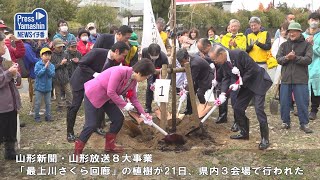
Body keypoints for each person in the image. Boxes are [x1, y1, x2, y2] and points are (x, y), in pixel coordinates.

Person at [74, 59, 155, 155]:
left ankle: (109, 146)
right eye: (146, 77)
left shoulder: (133, 80)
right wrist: (124, 105)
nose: (145, 79)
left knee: (118, 119)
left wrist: (144, 114)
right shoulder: (120, 72)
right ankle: (77, 153)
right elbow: (111, 91)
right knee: (91, 125)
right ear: (139, 73)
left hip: (108, 98)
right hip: (94, 94)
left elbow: (134, 98)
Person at [209, 44, 272, 150]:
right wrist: (223, 93)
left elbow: (252, 69)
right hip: (246, 86)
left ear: (221, 54)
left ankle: (265, 139)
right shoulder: (224, 63)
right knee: (238, 107)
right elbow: (227, 77)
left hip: (258, 81)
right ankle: (244, 132)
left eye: (215, 59)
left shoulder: (239, 54)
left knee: (259, 109)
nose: (215, 62)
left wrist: (240, 81)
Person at [67, 42, 129, 142]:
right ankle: (70, 132)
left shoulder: (116, 62)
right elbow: (81, 63)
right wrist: (94, 74)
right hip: (81, 82)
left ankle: (96, 127)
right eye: (123, 55)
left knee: (100, 105)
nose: (123, 58)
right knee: (75, 106)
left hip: (96, 87)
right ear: (117, 51)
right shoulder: (97, 52)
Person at [276, 22, 313, 133]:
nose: (291, 33)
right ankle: (285, 122)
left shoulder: (306, 45)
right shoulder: (284, 45)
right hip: (286, 78)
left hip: (300, 79)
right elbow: (279, 59)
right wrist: (287, 57)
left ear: (299, 32)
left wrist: (295, 57)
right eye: (290, 31)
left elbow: (308, 60)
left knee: (302, 102)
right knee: (284, 102)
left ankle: (304, 124)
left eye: (294, 31)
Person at [0, 32, 21, 160]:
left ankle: (10, 152)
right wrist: (8, 73)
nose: (5, 47)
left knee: (11, 130)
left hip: (10, 103)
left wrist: (15, 73)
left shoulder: (4, 61)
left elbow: (15, 77)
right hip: (1, 106)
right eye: (2, 44)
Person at [176, 49, 214, 114]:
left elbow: (191, 79)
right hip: (198, 76)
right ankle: (189, 110)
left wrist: (185, 91)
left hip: (206, 77)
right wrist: (185, 89)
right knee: (191, 92)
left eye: (182, 61)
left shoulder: (195, 64)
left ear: (187, 58)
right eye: (180, 62)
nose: (181, 64)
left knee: (200, 93)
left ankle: (204, 109)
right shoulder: (189, 60)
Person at [302, 12, 320, 120]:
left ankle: (314, 110)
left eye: (316, 20)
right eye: (312, 19)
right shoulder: (303, 35)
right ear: (308, 21)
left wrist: (314, 44)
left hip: (317, 66)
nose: (314, 22)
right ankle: (302, 108)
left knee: (315, 88)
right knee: (303, 88)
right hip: (304, 65)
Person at [141, 43, 169, 113]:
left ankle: (161, 107)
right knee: (149, 87)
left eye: (156, 56)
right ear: (148, 53)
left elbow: (166, 70)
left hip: (159, 73)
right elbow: (143, 62)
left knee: (160, 88)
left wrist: (157, 80)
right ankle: (148, 107)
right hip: (149, 71)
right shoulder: (144, 51)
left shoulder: (163, 57)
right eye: (152, 56)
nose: (154, 57)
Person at [34, 48, 55, 122]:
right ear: (41, 56)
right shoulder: (37, 64)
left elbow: (52, 75)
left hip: (48, 88)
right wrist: (44, 68)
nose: (47, 57)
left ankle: (48, 116)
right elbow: (38, 74)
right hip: (39, 88)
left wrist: (48, 68)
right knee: (38, 103)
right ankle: (36, 117)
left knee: (48, 103)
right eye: (45, 55)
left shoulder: (51, 65)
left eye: (49, 55)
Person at [51, 38, 73, 111]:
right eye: (58, 47)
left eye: (61, 46)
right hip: (56, 77)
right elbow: (52, 67)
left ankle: (70, 104)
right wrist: (60, 63)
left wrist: (66, 63)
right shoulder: (52, 55)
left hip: (65, 76)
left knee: (68, 91)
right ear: (54, 46)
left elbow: (68, 64)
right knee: (58, 92)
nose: (60, 48)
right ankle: (59, 105)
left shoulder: (65, 53)